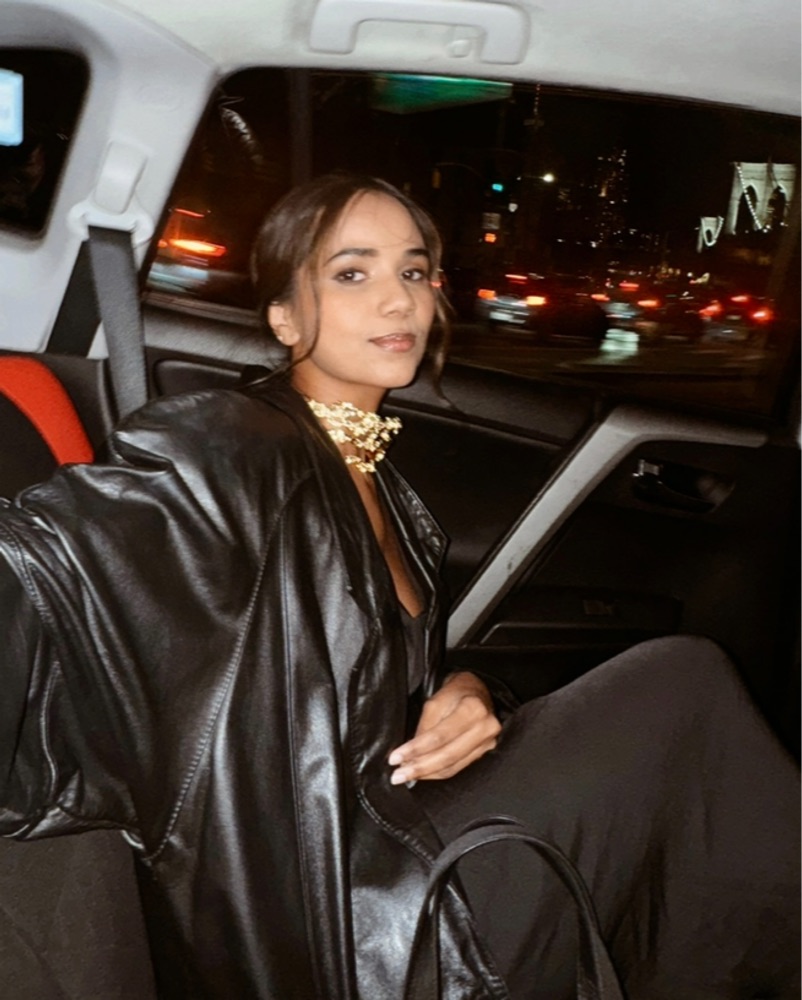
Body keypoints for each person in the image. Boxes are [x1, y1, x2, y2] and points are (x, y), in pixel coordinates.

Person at [0, 172, 798, 999]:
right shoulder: (234, 444)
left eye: (413, 271)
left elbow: (384, 682)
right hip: (341, 920)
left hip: (396, 832)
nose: (398, 300)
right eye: (352, 273)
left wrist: (471, 686)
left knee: (683, 719)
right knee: (684, 686)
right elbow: (50, 568)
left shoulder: (388, 491)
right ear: (285, 316)